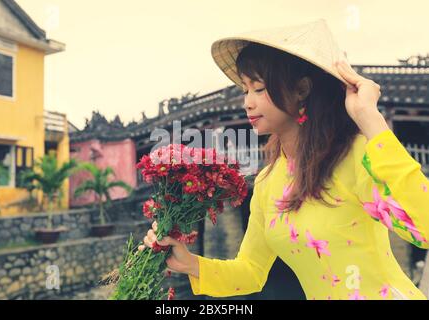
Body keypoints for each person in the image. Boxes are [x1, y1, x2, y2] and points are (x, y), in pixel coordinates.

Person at [139, 19, 429, 300]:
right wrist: (190, 263)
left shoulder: (356, 156)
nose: (247, 102)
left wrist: (370, 117)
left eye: (259, 88)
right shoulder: (268, 182)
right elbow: (251, 272)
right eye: (245, 90)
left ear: (301, 89)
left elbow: (424, 227)